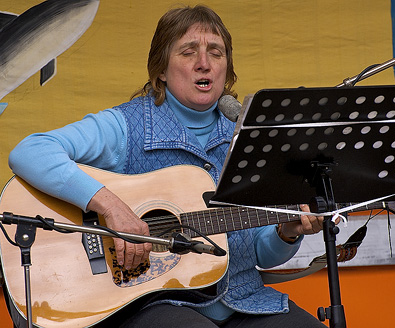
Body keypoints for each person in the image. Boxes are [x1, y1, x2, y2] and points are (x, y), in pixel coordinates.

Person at [8, 4, 328, 328]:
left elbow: (259, 253)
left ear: (227, 69)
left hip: (244, 302)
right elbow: (30, 151)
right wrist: (112, 207)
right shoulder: (127, 126)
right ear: (161, 69)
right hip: (154, 304)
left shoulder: (245, 139)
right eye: (189, 52)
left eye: (215, 53)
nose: (204, 64)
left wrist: (287, 233)